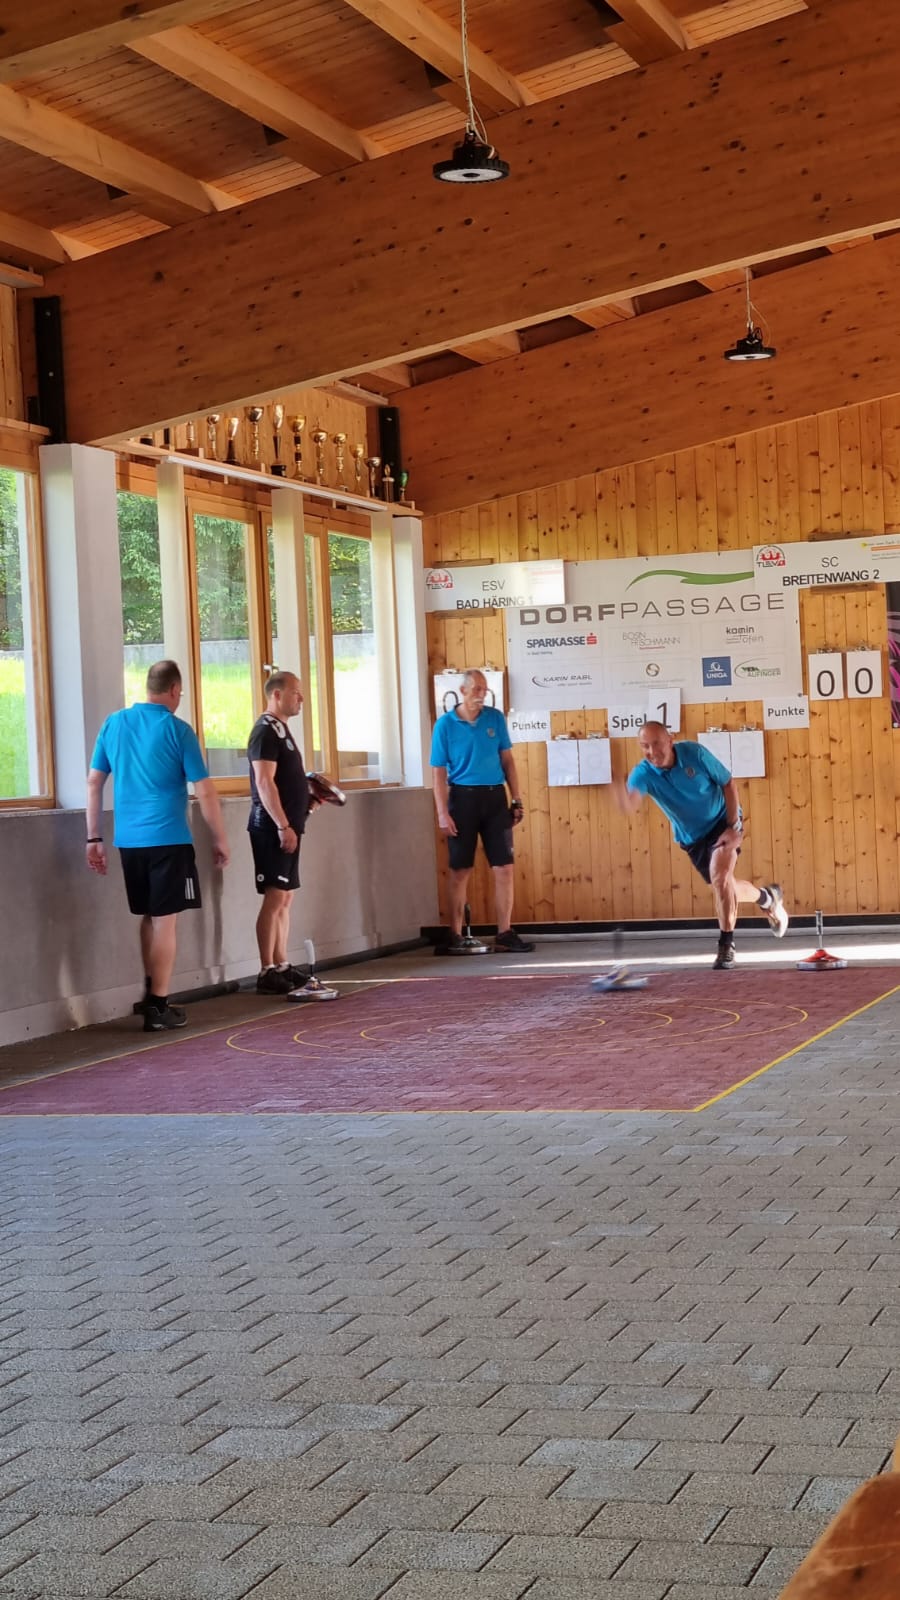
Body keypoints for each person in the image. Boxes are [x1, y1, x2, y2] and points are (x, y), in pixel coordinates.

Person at [86, 659, 230, 1030]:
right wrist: (219, 837)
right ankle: (159, 1006)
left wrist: (93, 837)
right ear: (174, 690)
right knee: (166, 921)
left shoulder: (114, 723)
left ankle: (151, 991)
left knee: (150, 916)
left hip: (129, 842)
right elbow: (205, 790)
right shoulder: (178, 730)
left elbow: (94, 783)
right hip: (169, 839)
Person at [615, 720, 788, 969]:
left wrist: (734, 826)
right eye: (645, 746)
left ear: (670, 741)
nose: (652, 752)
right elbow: (630, 803)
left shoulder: (694, 754)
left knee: (720, 877)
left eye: (657, 744)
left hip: (722, 820)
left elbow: (728, 783)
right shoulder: (642, 773)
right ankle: (767, 898)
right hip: (692, 838)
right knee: (725, 885)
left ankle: (726, 945)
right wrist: (617, 791)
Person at [430, 669, 534, 954]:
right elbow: (438, 772)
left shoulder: (495, 718)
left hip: (494, 797)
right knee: (460, 869)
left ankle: (504, 932)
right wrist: (442, 812)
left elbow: (508, 761)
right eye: (476, 688)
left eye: (484, 689)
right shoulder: (445, 725)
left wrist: (517, 799)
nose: (481, 694)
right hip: (462, 798)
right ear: (462, 691)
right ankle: (454, 934)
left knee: (504, 868)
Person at [247, 670, 316, 994]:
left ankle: (282, 963)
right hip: (272, 827)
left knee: (286, 897)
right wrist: (282, 825)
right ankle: (266, 969)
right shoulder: (264, 731)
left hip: (290, 825)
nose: (301, 698)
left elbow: (287, 782)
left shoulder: (281, 729)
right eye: (295, 692)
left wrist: (307, 803)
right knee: (275, 897)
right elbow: (264, 782)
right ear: (276, 694)